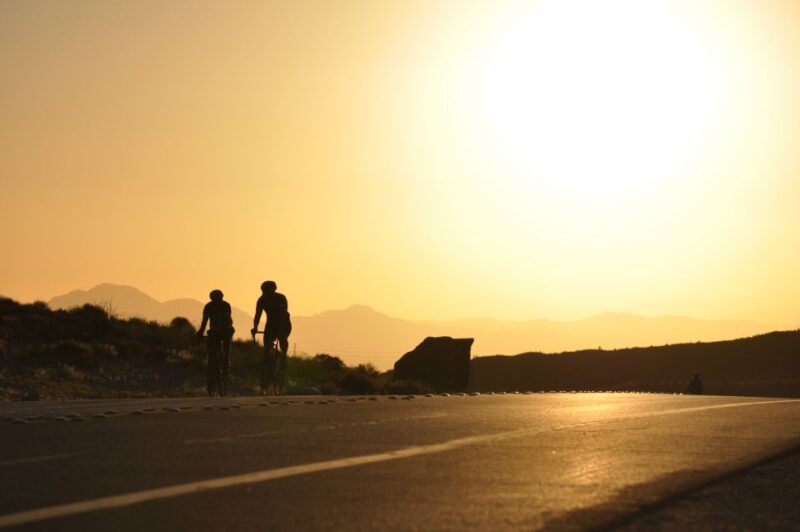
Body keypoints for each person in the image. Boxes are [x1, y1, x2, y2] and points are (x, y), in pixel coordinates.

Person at [197, 289, 234, 396]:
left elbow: (227, 319)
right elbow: (205, 320)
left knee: (227, 344)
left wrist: (201, 332)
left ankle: (226, 360)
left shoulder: (226, 305)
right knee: (212, 350)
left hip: (225, 329)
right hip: (214, 331)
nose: (217, 300)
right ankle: (212, 366)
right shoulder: (208, 306)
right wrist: (200, 332)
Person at [252, 281, 291, 381]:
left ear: (273, 290)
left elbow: (283, 312)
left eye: (266, 291)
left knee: (283, 339)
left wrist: (281, 329)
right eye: (263, 291)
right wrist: (255, 327)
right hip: (270, 324)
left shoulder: (281, 297)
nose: (264, 293)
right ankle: (267, 367)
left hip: (284, 322)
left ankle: (283, 356)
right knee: (267, 347)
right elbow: (257, 315)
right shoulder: (261, 300)